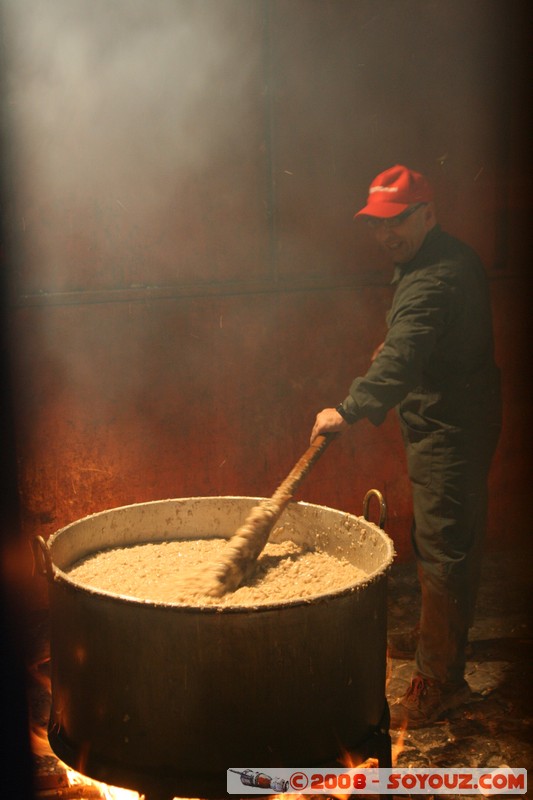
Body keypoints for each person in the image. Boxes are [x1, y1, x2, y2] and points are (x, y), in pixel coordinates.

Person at [310, 164, 501, 728]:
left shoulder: (434, 275)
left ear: (428, 214)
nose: (385, 233)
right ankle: (440, 654)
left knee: (443, 546)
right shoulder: (437, 259)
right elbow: (416, 340)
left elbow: (406, 349)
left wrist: (346, 409)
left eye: (396, 221)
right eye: (377, 223)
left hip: (451, 426)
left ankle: (440, 682)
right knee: (441, 538)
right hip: (450, 415)